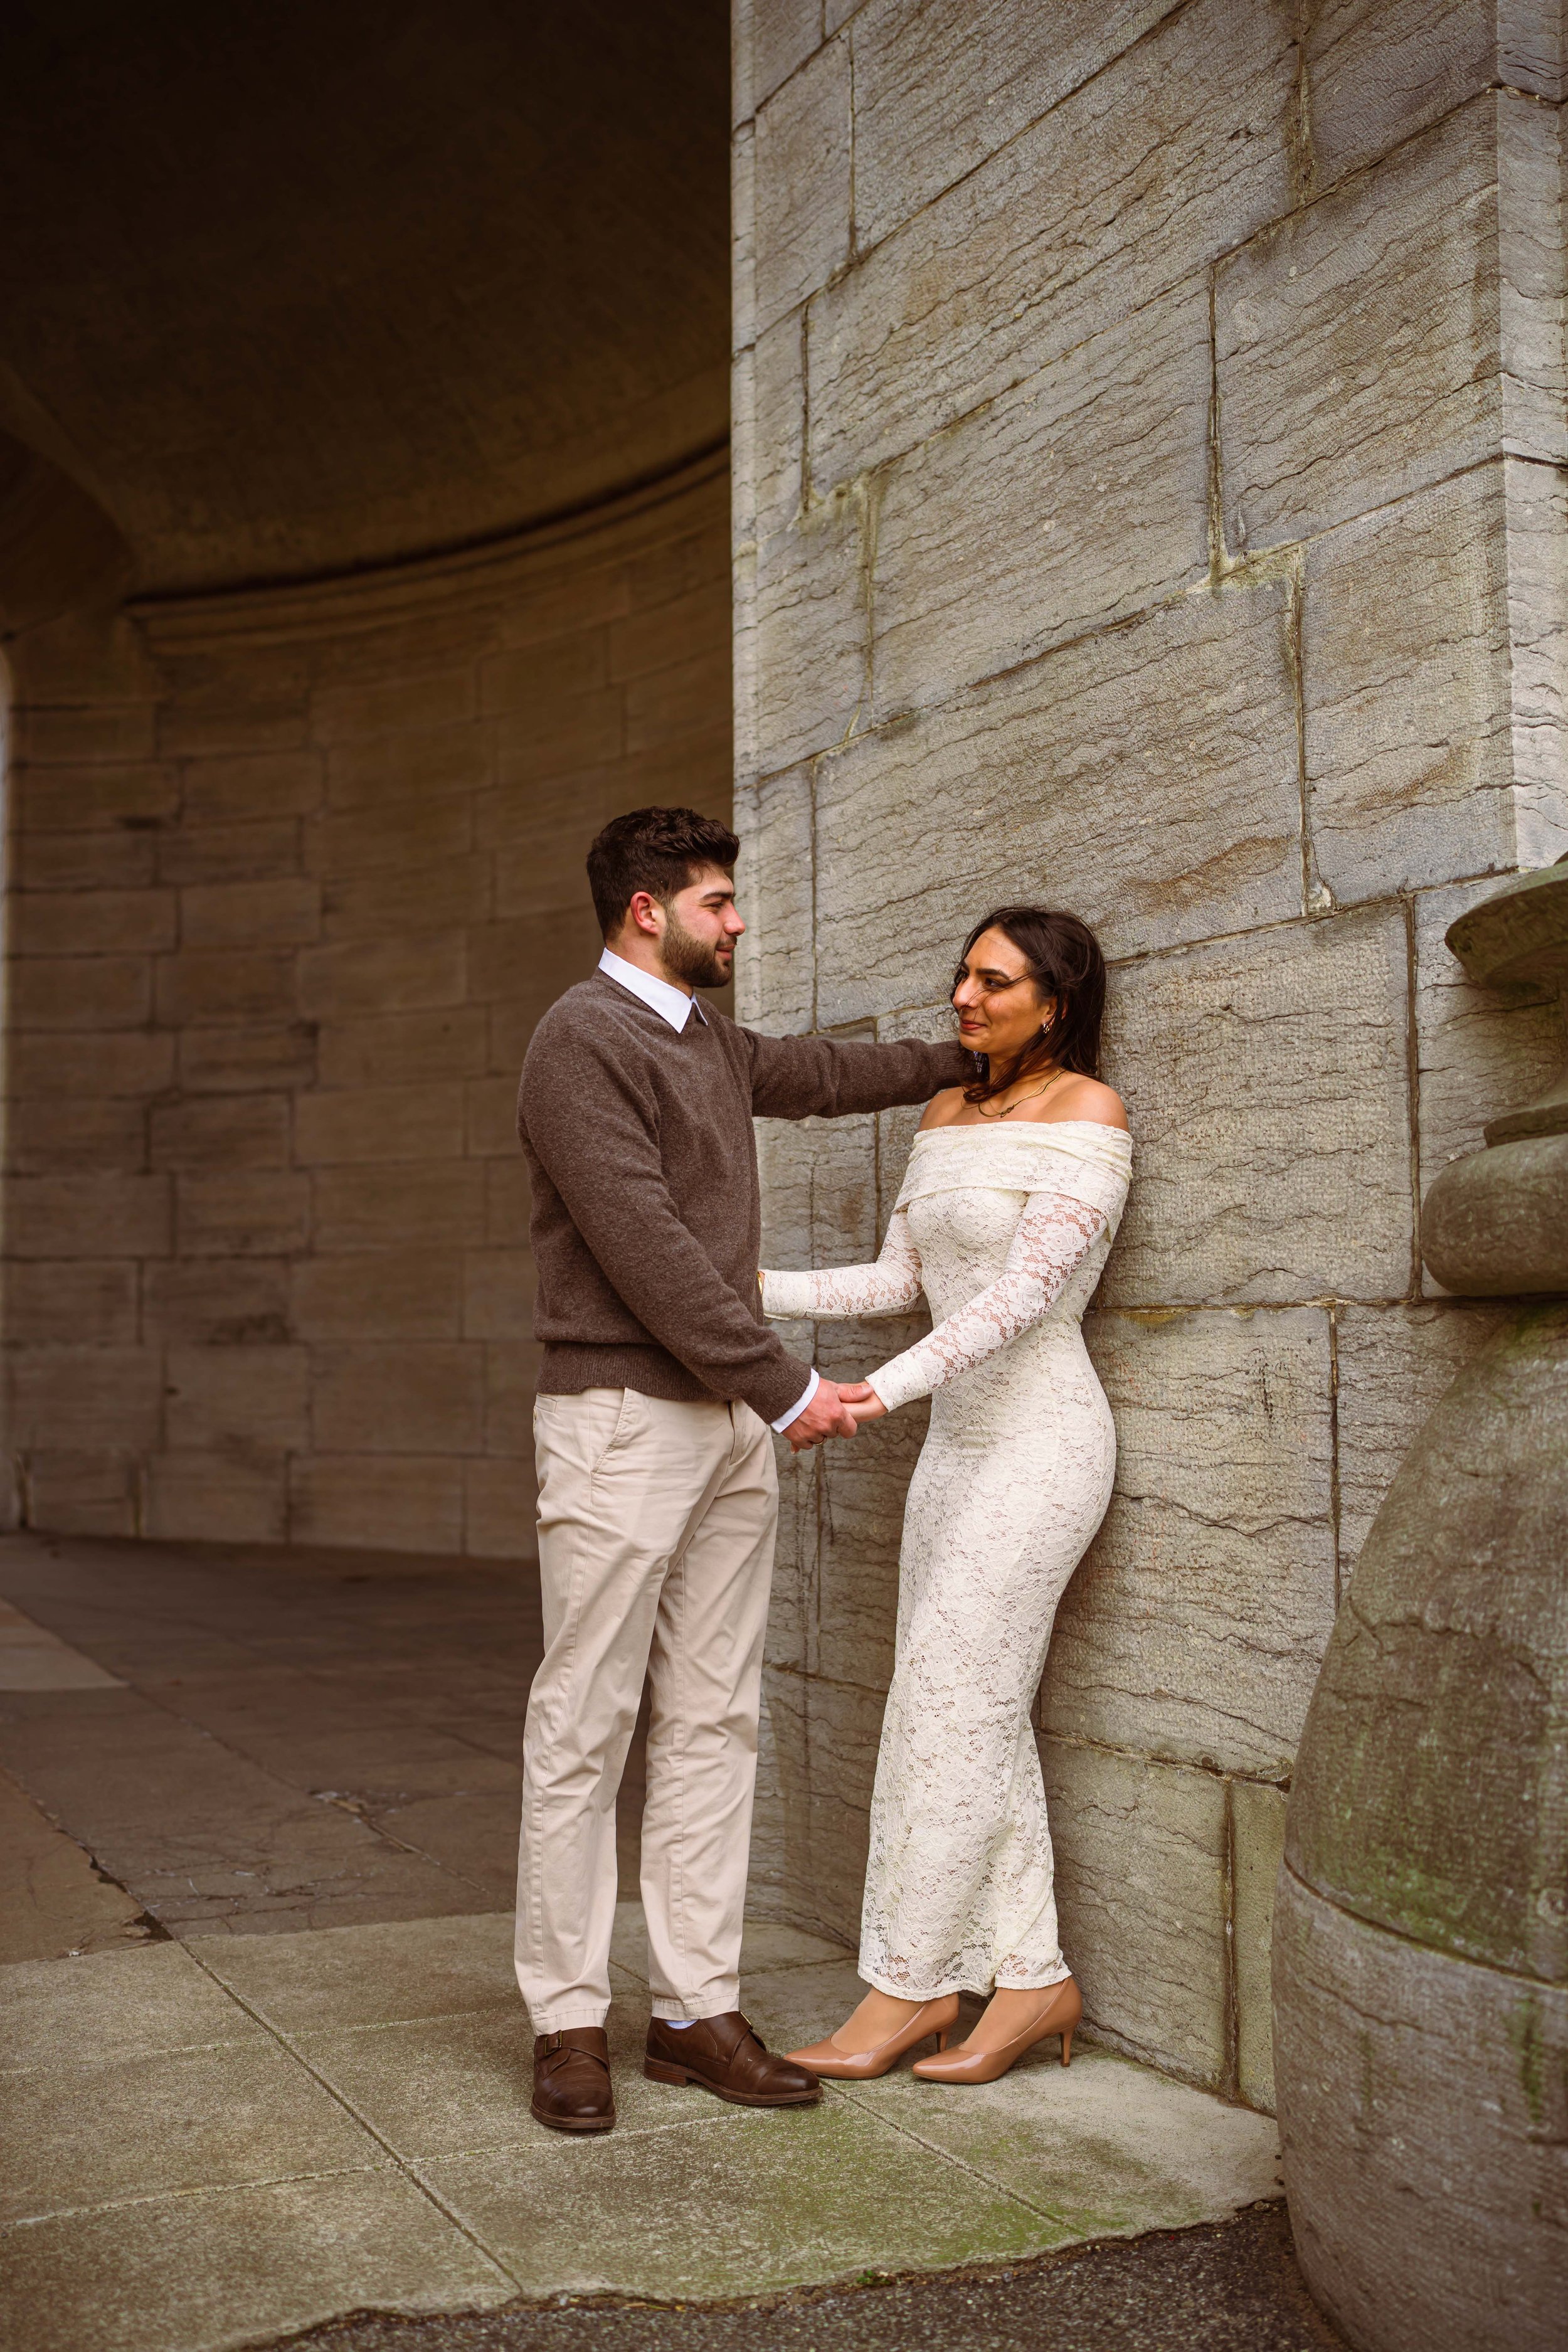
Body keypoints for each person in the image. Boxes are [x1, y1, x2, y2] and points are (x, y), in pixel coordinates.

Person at [514, 805, 975, 2134]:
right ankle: (563, 2024)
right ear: (645, 910)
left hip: (724, 1424)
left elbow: (820, 1076)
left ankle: (691, 2013)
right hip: (618, 1417)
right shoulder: (577, 1043)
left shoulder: (705, 1039)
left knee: (714, 1721)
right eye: (716, 901)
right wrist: (782, 1385)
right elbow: (641, 1242)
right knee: (582, 1724)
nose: (736, 921)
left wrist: (968, 1055)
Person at [762, 907, 1130, 2086]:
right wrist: (740, 1283)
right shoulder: (943, 1114)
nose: (963, 998)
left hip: (1043, 1443)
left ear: (1056, 1000)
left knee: (945, 1702)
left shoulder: (1091, 1116)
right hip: (953, 1452)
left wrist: (879, 1392)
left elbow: (1022, 1300)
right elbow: (901, 1278)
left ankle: (906, 1989)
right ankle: (1032, 1978)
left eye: (993, 980)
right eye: (961, 976)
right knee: (973, 1705)